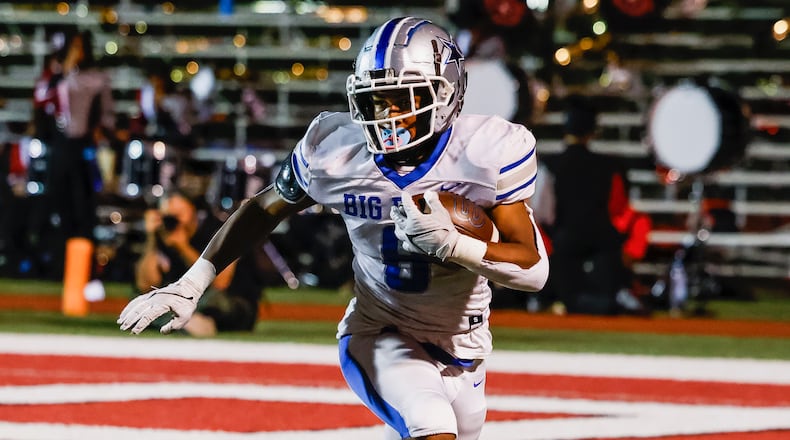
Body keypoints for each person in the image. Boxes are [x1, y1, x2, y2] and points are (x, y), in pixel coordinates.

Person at [119, 16, 548, 440]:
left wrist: (453, 245)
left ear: (446, 94)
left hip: (466, 346)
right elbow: (264, 208)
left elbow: (533, 270)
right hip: (381, 330)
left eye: (403, 98)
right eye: (377, 100)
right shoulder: (336, 153)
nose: (388, 115)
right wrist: (192, 283)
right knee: (430, 425)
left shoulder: (484, 153)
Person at [532, 94, 640, 315]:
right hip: (603, 242)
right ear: (593, 131)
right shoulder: (610, 166)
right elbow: (620, 209)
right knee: (605, 290)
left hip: (564, 242)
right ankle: (612, 299)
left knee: (570, 295)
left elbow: (541, 212)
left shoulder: (550, 165)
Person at [134, 186, 265, 337]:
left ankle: (180, 320)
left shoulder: (218, 230)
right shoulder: (166, 232)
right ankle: (186, 322)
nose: (175, 220)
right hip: (189, 303)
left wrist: (183, 247)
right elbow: (144, 284)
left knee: (210, 300)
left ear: (193, 212)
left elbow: (220, 283)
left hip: (231, 303)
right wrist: (152, 238)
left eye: (179, 214)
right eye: (169, 216)